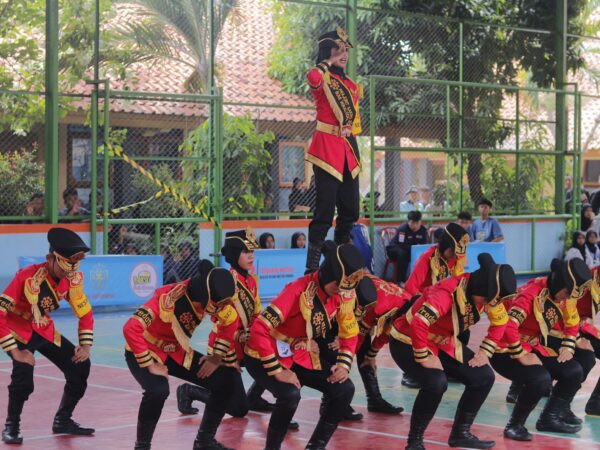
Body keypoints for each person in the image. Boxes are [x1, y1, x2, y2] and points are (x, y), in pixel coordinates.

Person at [389, 253, 516, 450]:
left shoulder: (486, 294)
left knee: (483, 377)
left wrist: (485, 351)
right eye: (486, 300)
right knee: (436, 382)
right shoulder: (446, 292)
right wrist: (423, 356)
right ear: (480, 290)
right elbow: (419, 323)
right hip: (407, 340)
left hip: (441, 341)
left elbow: (501, 321)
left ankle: (460, 434)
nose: (488, 305)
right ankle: (414, 441)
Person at [244, 242, 364, 450]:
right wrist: (278, 371)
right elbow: (259, 329)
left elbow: (349, 332)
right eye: (337, 284)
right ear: (328, 275)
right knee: (290, 394)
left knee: (344, 389)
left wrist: (344, 365)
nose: (340, 291)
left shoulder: (343, 293)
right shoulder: (297, 290)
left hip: (298, 352)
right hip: (263, 353)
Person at [176, 229, 299, 429]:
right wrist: (241, 339)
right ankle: (190, 391)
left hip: (248, 342)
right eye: (245, 252)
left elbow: (256, 313)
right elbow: (220, 322)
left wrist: (261, 331)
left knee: (277, 351)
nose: (251, 256)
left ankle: (256, 397)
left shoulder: (252, 280)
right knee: (238, 409)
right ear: (234, 254)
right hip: (226, 347)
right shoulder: (226, 281)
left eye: (252, 251)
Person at [123, 260, 237, 450]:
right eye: (218, 304)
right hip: (144, 349)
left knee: (225, 379)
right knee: (158, 390)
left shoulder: (210, 297)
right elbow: (131, 328)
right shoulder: (167, 298)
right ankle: (142, 446)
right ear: (206, 296)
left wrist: (216, 357)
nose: (222, 308)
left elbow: (231, 320)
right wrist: (149, 364)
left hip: (175, 351)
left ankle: (204, 442)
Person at [0, 228, 95, 444]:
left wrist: (85, 347)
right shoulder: (27, 276)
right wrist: (15, 351)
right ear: (50, 258)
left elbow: (85, 313)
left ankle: (63, 420)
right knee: (23, 375)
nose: (67, 273)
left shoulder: (71, 279)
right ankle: (11, 426)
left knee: (80, 366)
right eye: (63, 266)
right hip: (17, 330)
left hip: (42, 328)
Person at [495, 259, 595, 438]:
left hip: (533, 345)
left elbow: (572, 321)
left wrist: (568, 346)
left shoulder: (564, 294)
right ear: (560, 284)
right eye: (567, 293)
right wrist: (521, 354)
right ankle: (514, 425)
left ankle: (549, 418)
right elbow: (509, 326)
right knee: (540, 379)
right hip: (505, 349)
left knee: (573, 371)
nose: (568, 298)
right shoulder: (531, 294)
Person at [304, 27, 362, 273]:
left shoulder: (350, 85)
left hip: (348, 149)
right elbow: (313, 77)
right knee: (325, 211)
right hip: (326, 149)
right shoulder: (323, 78)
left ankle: (339, 263)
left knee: (351, 210)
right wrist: (327, 63)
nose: (343, 54)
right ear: (327, 52)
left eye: (345, 50)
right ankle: (311, 268)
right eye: (338, 50)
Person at [400, 223, 469, 389]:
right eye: (452, 251)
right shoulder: (427, 258)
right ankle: (410, 372)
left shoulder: (455, 260)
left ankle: (449, 368)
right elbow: (410, 289)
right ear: (445, 245)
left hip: (442, 305)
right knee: (418, 330)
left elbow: (459, 284)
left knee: (463, 329)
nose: (454, 256)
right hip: (422, 305)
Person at [352, 275, 407, 414]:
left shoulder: (405, 304)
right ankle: (329, 403)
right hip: (347, 303)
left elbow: (387, 332)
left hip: (365, 302)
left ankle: (374, 400)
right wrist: (344, 361)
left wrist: (371, 355)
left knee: (366, 355)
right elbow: (358, 336)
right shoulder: (380, 307)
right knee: (340, 351)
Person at [574, 266, 600, 415]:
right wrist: (577, 337)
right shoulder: (584, 278)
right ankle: (518, 387)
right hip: (562, 326)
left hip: (584, 326)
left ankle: (596, 403)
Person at [385, 211, 428, 283]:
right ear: (409, 222)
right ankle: (401, 281)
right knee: (403, 254)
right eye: (412, 223)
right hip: (394, 250)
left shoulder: (423, 230)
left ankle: (421, 280)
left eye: (417, 223)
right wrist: (414, 250)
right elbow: (401, 244)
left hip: (411, 250)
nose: (414, 225)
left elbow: (424, 245)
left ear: (420, 222)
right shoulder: (403, 229)